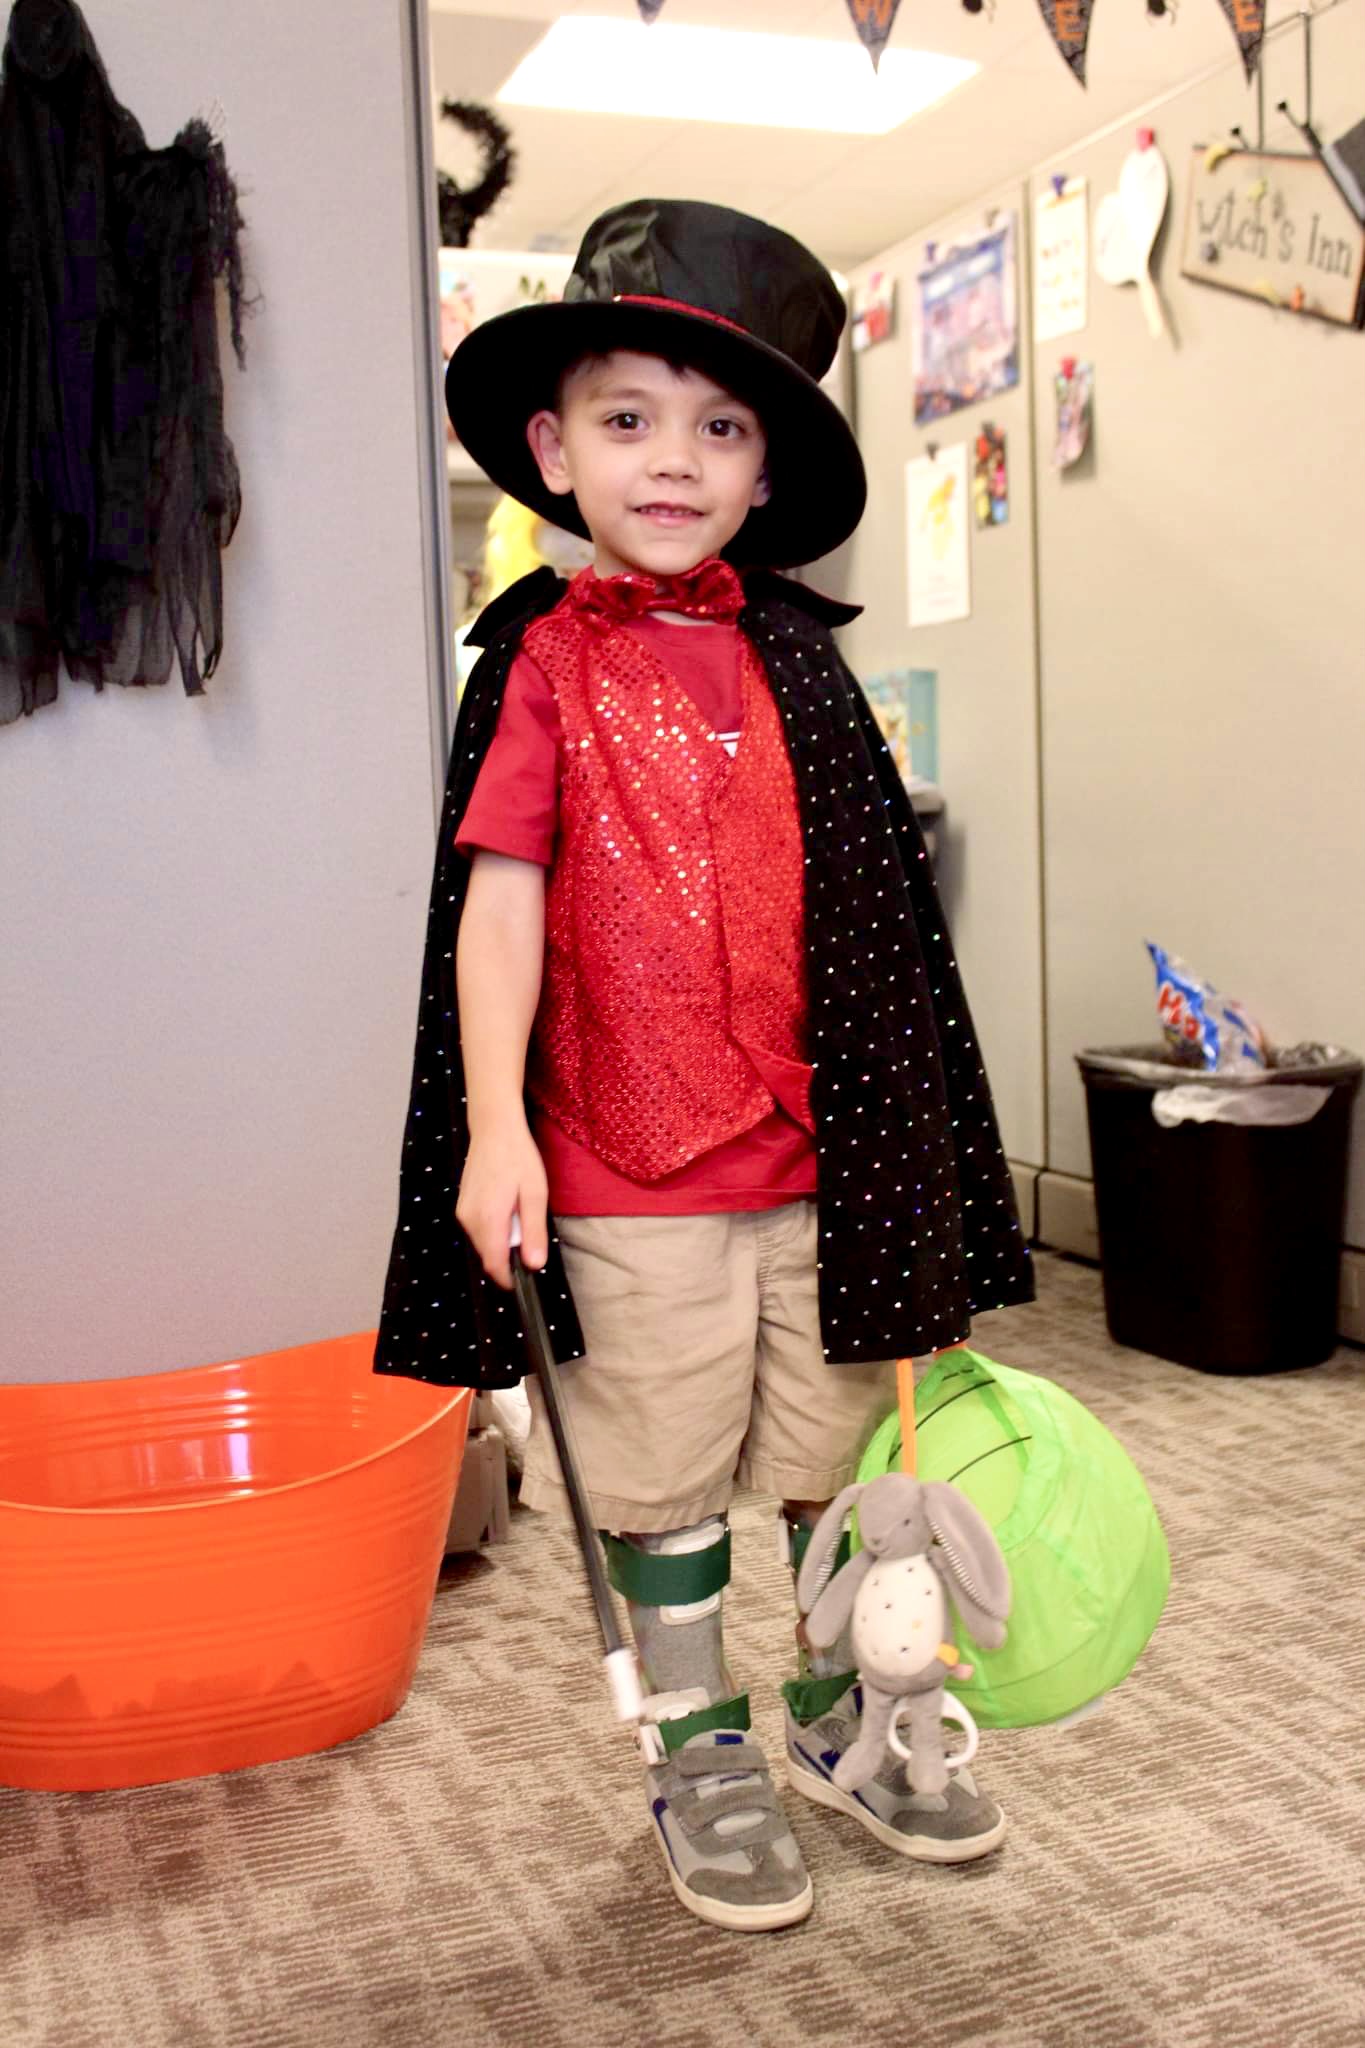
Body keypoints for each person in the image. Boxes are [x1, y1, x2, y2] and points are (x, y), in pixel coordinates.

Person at [375, 199, 1034, 1932]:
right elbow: (496, 905)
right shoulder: (533, 662)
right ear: (551, 445)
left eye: (719, 427)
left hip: (822, 1168)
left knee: (835, 1458)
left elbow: (883, 938)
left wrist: (916, 1164)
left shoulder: (803, 667)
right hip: (621, 1169)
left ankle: (837, 1715)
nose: (672, 461)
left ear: (763, 472)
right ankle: (696, 1737)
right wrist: (493, 1128)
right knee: (662, 1477)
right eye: (627, 416)